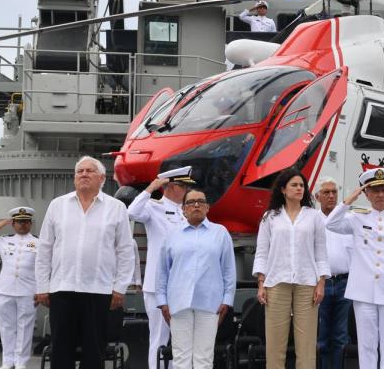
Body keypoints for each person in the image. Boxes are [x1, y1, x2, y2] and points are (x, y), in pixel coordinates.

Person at [35, 156, 137, 369]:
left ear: (101, 178)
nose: (83, 174)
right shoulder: (57, 205)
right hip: (62, 289)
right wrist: (42, 287)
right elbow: (45, 248)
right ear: (74, 178)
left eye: (89, 171)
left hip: (99, 290)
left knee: (94, 350)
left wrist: (119, 288)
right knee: (61, 350)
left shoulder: (116, 208)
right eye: (79, 171)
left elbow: (126, 251)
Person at [325, 168, 384, 369]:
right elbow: (330, 224)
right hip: (364, 292)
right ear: (366, 194)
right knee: (366, 345)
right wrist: (349, 199)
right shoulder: (356, 217)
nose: (380, 194)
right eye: (375, 190)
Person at [253, 168, 330, 369]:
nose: (299, 189)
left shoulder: (314, 217)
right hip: (276, 283)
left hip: (307, 284)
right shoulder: (270, 217)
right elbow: (262, 252)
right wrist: (261, 284)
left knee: (306, 345)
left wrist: (321, 282)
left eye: (302, 185)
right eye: (294, 185)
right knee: (275, 344)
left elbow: (321, 252)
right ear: (283, 189)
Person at [155, 188, 236, 369]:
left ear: (207, 207)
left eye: (201, 201)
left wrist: (227, 300)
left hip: (210, 304)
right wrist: (162, 301)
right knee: (181, 358)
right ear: (183, 209)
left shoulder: (220, 233)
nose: (196, 205)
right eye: (191, 202)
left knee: (204, 358)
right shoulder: (172, 234)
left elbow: (229, 271)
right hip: (178, 303)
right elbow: (162, 271)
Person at [127, 166, 195, 369]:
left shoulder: (186, 213)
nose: (185, 190)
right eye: (182, 185)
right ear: (169, 186)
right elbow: (132, 212)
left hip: (183, 285)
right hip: (158, 286)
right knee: (158, 337)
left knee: (181, 339)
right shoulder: (153, 207)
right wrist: (150, 188)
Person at [0, 207, 38, 369]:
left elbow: (45, 268)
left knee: (25, 328)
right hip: (5, 291)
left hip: (28, 292)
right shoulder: (4, 240)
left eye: (25, 222)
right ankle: (7, 361)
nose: (22, 225)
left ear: (30, 223)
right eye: (18, 222)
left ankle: (21, 362)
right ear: (13, 224)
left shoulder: (39, 243)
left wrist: (41, 291)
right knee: (6, 327)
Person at [314, 177, 353, 369]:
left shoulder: (348, 220)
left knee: (340, 336)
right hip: (319, 284)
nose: (331, 196)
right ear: (317, 196)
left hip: (345, 283)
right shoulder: (311, 220)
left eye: (334, 192)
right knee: (320, 337)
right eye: (326, 192)